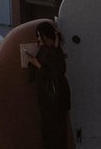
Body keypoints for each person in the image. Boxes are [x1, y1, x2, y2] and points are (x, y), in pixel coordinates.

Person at [27, 20, 71, 149]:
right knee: (49, 130)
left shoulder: (54, 52)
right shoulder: (46, 50)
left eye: (40, 36)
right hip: (48, 99)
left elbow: (55, 74)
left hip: (55, 100)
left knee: (55, 130)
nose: (39, 39)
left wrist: (38, 65)